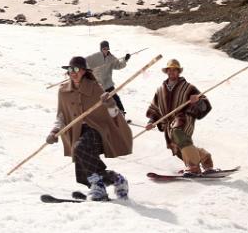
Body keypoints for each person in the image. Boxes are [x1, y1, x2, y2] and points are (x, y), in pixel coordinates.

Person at [46, 56, 132, 201]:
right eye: (70, 70)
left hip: (97, 131)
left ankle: (98, 186)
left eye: (76, 69)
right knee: (83, 165)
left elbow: (114, 114)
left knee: (80, 148)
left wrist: (110, 104)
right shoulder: (63, 91)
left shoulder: (95, 88)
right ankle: (117, 180)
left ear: (84, 71)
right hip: (77, 133)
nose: (73, 72)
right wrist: (54, 131)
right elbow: (61, 115)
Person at [145, 59, 214, 176]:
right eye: (169, 70)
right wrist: (151, 121)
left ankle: (193, 166)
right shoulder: (160, 90)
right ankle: (205, 159)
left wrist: (196, 101)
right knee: (177, 148)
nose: (172, 72)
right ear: (166, 72)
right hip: (168, 124)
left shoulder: (188, 87)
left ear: (179, 72)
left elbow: (204, 103)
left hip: (183, 118)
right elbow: (155, 108)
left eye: (174, 70)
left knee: (178, 132)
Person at [85, 40, 130, 116]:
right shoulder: (95, 57)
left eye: (107, 48)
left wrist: (125, 60)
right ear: (101, 49)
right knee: (94, 99)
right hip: (97, 83)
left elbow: (118, 65)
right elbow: (84, 62)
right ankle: (89, 113)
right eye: (104, 49)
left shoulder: (111, 58)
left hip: (107, 82)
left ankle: (121, 112)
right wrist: (85, 70)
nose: (105, 50)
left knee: (114, 97)